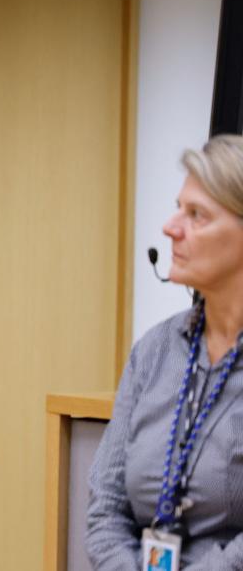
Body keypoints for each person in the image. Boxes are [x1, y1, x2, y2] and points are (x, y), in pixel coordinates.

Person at [87, 134, 243, 569]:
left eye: (197, 215)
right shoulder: (155, 350)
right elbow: (106, 502)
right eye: (179, 208)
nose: (171, 227)